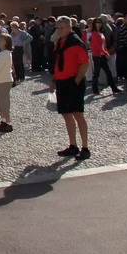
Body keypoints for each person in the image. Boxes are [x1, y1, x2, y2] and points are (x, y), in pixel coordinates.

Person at [49, 16, 91, 159]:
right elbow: (56, 62)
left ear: (69, 28)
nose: (59, 31)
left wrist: (76, 81)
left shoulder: (76, 43)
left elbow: (85, 63)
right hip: (61, 82)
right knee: (66, 114)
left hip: (73, 82)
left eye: (62, 28)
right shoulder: (59, 43)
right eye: (58, 28)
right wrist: (53, 79)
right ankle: (73, 145)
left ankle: (85, 147)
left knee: (78, 114)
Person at [86, 18, 118, 95]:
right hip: (97, 56)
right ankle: (95, 89)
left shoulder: (101, 33)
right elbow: (97, 46)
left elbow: (104, 45)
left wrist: (106, 52)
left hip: (102, 55)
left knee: (107, 72)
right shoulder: (94, 33)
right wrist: (106, 53)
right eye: (97, 22)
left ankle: (113, 88)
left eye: (100, 22)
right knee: (97, 73)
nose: (99, 24)